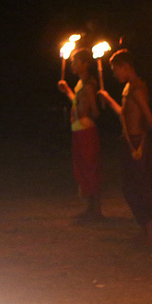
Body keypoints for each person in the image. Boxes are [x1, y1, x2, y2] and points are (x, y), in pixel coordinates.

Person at [98, 49, 152, 246]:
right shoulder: (128, 88)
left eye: (116, 70)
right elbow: (124, 114)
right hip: (129, 140)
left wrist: (141, 140)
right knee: (129, 187)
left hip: (136, 141)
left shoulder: (137, 88)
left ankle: (149, 233)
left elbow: (149, 118)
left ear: (126, 67)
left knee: (140, 187)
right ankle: (143, 229)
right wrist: (109, 100)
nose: (115, 75)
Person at [58, 47, 103, 220]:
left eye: (75, 61)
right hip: (78, 129)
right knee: (82, 169)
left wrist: (86, 114)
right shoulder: (80, 84)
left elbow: (94, 111)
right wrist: (68, 91)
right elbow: (78, 103)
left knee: (90, 168)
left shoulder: (89, 85)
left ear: (85, 64)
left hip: (86, 130)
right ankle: (89, 208)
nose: (72, 64)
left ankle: (95, 209)